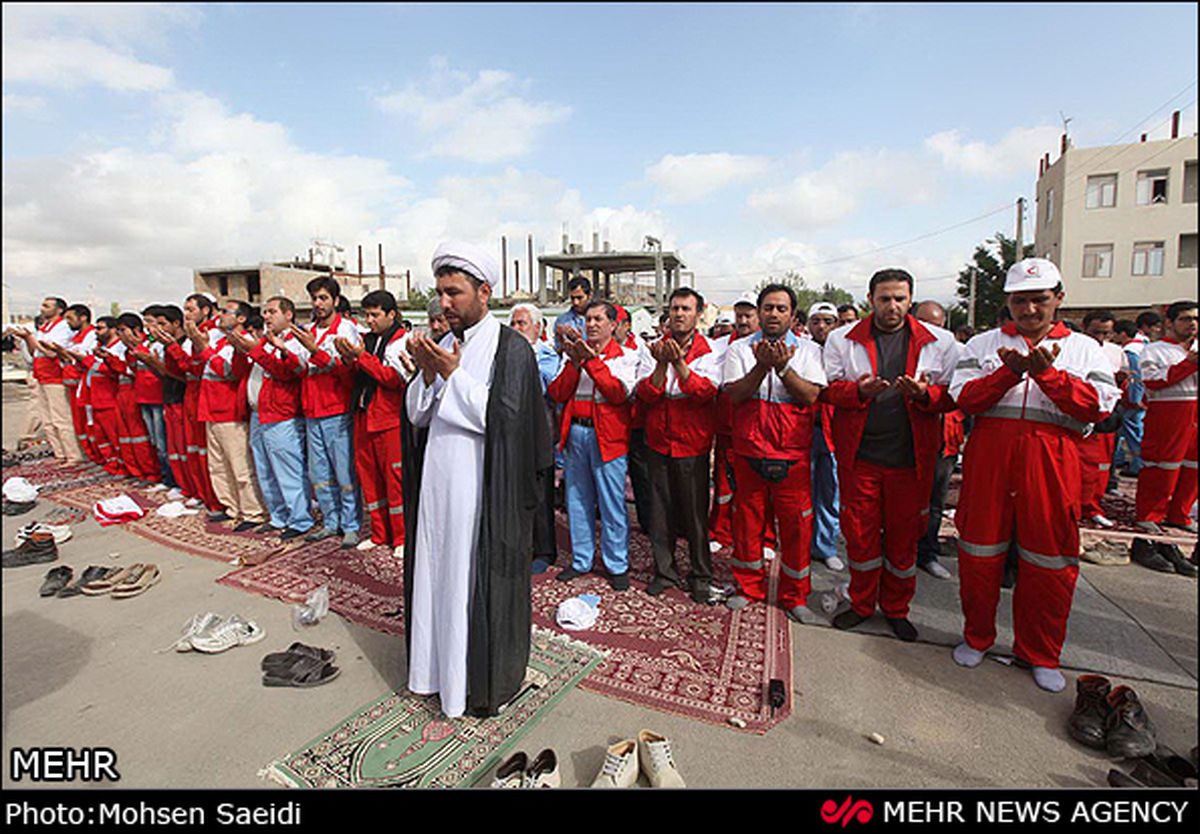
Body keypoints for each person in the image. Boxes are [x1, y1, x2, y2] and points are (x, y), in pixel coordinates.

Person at [950, 258, 1120, 692]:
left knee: (1049, 561)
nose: (1028, 310)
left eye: (1038, 300)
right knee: (978, 552)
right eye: (1019, 301)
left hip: (1054, 460)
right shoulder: (985, 344)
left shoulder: (1084, 348)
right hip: (991, 457)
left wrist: (1046, 373)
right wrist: (1009, 372)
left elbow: (1097, 407)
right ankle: (977, 637)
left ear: (1058, 299)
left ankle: (1040, 652)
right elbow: (964, 399)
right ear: (1008, 301)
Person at [401, 240, 552, 718]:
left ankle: (474, 681)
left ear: (484, 292)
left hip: (482, 487)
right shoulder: (444, 344)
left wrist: (454, 377)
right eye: (441, 293)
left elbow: (508, 421)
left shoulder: (513, 350)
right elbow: (419, 416)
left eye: (454, 293)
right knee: (436, 571)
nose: (444, 304)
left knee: (469, 578)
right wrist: (427, 377)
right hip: (438, 483)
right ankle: (432, 672)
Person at [822, 269, 959, 642]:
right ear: (871, 299)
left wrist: (923, 395)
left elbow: (952, 395)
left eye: (900, 298)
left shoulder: (941, 342)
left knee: (903, 540)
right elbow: (830, 390)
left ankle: (897, 609)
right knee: (862, 538)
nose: (892, 306)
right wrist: (859, 392)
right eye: (885, 298)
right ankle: (862, 604)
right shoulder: (842, 338)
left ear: (910, 299)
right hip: (861, 456)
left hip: (910, 460)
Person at [721, 284, 828, 622]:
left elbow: (811, 396)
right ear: (759, 311)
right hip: (749, 450)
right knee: (747, 523)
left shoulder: (809, 352)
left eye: (781, 309)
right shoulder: (739, 349)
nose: (774, 314)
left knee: (797, 529)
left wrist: (782, 368)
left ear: (793, 315)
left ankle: (795, 596)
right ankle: (747, 588)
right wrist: (760, 367)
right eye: (768, 308)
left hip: (792, 455)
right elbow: (735, 395)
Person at [636, 287, 723, 604]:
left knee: (695, 516)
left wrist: (680, 365)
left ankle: (701, 575)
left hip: (693, 444)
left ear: (698, 314)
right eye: (674, 308)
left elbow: (704, 392)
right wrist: (662, 364)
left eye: (686, 309)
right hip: (658, 441)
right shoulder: (653, 349)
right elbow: (646, 393)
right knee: (660, 513)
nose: (679, 314)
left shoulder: (711, 350)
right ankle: (665, 571)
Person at [548, 300, 639, 590]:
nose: (592, 324)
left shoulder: (625, 356)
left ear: (613, 325)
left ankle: (617, 564)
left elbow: (616, 393)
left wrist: (590, 361)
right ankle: (581, 560)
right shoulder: (573, 356)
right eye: (588, 319)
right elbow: (557, 392)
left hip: (608, 438)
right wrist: (576, 362)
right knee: (577, 500)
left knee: (612, 503)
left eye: (599, 319)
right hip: (577, 434)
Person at [226, 296, 315, 541]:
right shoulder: (264, 341)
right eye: (265, 312)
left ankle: (300, 518)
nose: (266, 316)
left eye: (272, 311)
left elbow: (285, 371)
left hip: (282, 414)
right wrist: (244, 349)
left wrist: (256, 350)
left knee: (288, 470)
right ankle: (278, 516)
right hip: (259, 412)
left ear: (288, 315)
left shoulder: (296, 340)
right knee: (265, 470)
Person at [336, 289, 413, 552]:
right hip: (363, 415)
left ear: (392, 315)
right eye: (366, 315)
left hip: (389, 418)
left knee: (395, 479)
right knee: (368, 478)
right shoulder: (366, 341)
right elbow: (353, 378)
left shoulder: (402, 341)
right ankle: (380, 533)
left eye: (375, 315)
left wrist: (360, 357)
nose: (370, 321)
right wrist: (349, 360)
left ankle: (402, 537)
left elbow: (394, 379)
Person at [289, 276, 363, 547]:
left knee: (344, 473)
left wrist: (313, 349)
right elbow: (298, 367)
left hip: (337, 410)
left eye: (323, 298)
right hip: (311, 411)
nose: (318, 304)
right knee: (319, 474)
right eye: (314, 298)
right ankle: (332, 522)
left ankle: (352, 524)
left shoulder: (346, 329)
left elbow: (343, 367)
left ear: (335, 300)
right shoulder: (306, 330)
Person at [189, 300, 267, 531]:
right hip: (211, 410)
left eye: (226, 312)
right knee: (218, 466)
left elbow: (229, 372)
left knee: (240, 467)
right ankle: (232, 508)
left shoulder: (245, 342)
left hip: (229, 412)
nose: (220, 315)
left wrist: (204, 349)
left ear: (241, 318)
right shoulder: (219, 340)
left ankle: (253, 512)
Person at [1135, 301, 1198, 535]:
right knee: (1162, 464)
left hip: (1195, 412)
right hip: (1170, 412)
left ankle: (1180, 513)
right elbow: (1153, 380)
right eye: (1185, 318)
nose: (1192, 324)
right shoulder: (1154, 350)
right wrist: (1189, 365)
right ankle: (1150, 513)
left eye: (1196, 319)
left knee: (1193, 467)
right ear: (1169, 323)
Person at [509, 301, 562, 572]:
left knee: (541, 495)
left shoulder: (546, 355)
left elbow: (550, 386)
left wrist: (525, 359)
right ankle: (521, 545)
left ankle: (544, 550)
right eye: (514, 324)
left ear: (538, 328)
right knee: (514, 493)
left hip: (539, 431)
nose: (517, 329)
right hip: (512, 433)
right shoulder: (504, 354)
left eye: (522, 323)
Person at [912, 301, 960, 581]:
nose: (931, 330)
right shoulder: (899, 350)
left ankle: (927, 554)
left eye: (937, 325)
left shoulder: (954, 350)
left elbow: (958, 393)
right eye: (924, 322)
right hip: (906, 440)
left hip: (944, 439)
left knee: (934, 502)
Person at [709, 291, 760, 551]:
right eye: (739, 315)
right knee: (724, 483)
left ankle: (764, 538)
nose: (743, 321)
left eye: (748, 315)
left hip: (757, 430)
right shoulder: (718, 346)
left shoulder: (767, 345)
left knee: (757, 489)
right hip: (727, 427)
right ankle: (720, 533)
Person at [165, 293, 224, 511]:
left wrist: (174, 348)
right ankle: (200, 492)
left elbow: (198, 366)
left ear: (206, 310)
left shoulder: (212, 334)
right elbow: (182, 369)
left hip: (203, 392)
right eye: (185, 309)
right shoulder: (192, 335)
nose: (187, 314)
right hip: (190, 392)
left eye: (191, 309)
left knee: (205, 450)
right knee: (191, 448)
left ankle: (214, 497)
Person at [11, 297, 84, 462]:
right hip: (41, 375)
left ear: (58, 310)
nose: (42, 309)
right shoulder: (45, 327)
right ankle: (60, 453)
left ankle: (73, 455)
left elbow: (51, 352)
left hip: (55, 376)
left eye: (47, 306)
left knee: (61, 418)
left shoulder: (62, 327)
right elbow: (35, 351)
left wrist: (30, 338)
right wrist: (28, 339)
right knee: (48, 420)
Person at [805, 301, 846, 573]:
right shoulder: (802, 351)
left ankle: (826, 546)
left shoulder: (845, 351)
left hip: (835, 431)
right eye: (816, 321)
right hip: (804, 429)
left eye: (827, 321)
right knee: (802, 491)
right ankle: (801, 542)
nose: (822, 326)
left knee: (830, 491)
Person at [1078, 310, 1125, 528]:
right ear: (1085, 328)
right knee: (1080, 467)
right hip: (1082, 412)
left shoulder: (1116, 352)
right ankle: (1076, 505)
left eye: (1106, 333)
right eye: (1096, 332)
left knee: (1102, 466)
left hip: (1108, 411)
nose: (1100, 338)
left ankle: (1093, 505)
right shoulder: (1075, 348)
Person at [142, 306, 193, 497]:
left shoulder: (185, 344)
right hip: (168, 397)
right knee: (171, 447)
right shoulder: (164, 345)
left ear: (176, 324)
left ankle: (189, 487)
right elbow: (165, 374)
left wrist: (156, 364)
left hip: (181, 398)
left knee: (184, 447)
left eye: (162, 324)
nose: (159, 328)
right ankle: (177, 483)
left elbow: (186, 373)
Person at [111, 313, 162, 485]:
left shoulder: (153, 345)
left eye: (123, 330)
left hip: (156, 397)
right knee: (150, 439)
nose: (120, 334)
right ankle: (144, 472)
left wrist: (138, 347)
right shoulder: (128, 349)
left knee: (159, 441)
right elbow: (132, 369)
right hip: (141, 396)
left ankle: (159, 475)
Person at [79, 317, 129, 476]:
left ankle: (123, 467)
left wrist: (86, 360)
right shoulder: (100, 347)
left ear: (112, 330)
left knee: (115, 436)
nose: (96, 332)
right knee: (101, 436)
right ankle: (111, 464)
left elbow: (113, 370)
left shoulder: (119, 347)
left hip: (109, 397)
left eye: (100, 328)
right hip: (95, 396)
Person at [53, 304, 99, 465]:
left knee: (89, 422)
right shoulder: (75, 337)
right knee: (79, 424)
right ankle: (90, 455)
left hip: (84, 383)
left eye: (70, 318)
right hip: (72, 384)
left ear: (83, 317)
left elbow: (87, 357)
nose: (68, 323)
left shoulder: (91, 335)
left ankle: (98, 456)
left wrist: (68, 354)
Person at [553, 276, 592, 350]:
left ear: (589, 295)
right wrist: (562, 340)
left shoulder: (599, 319)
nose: (575, 302)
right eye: (572, 298)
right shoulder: (562, 321)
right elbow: (558, 351)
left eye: (579, 298)